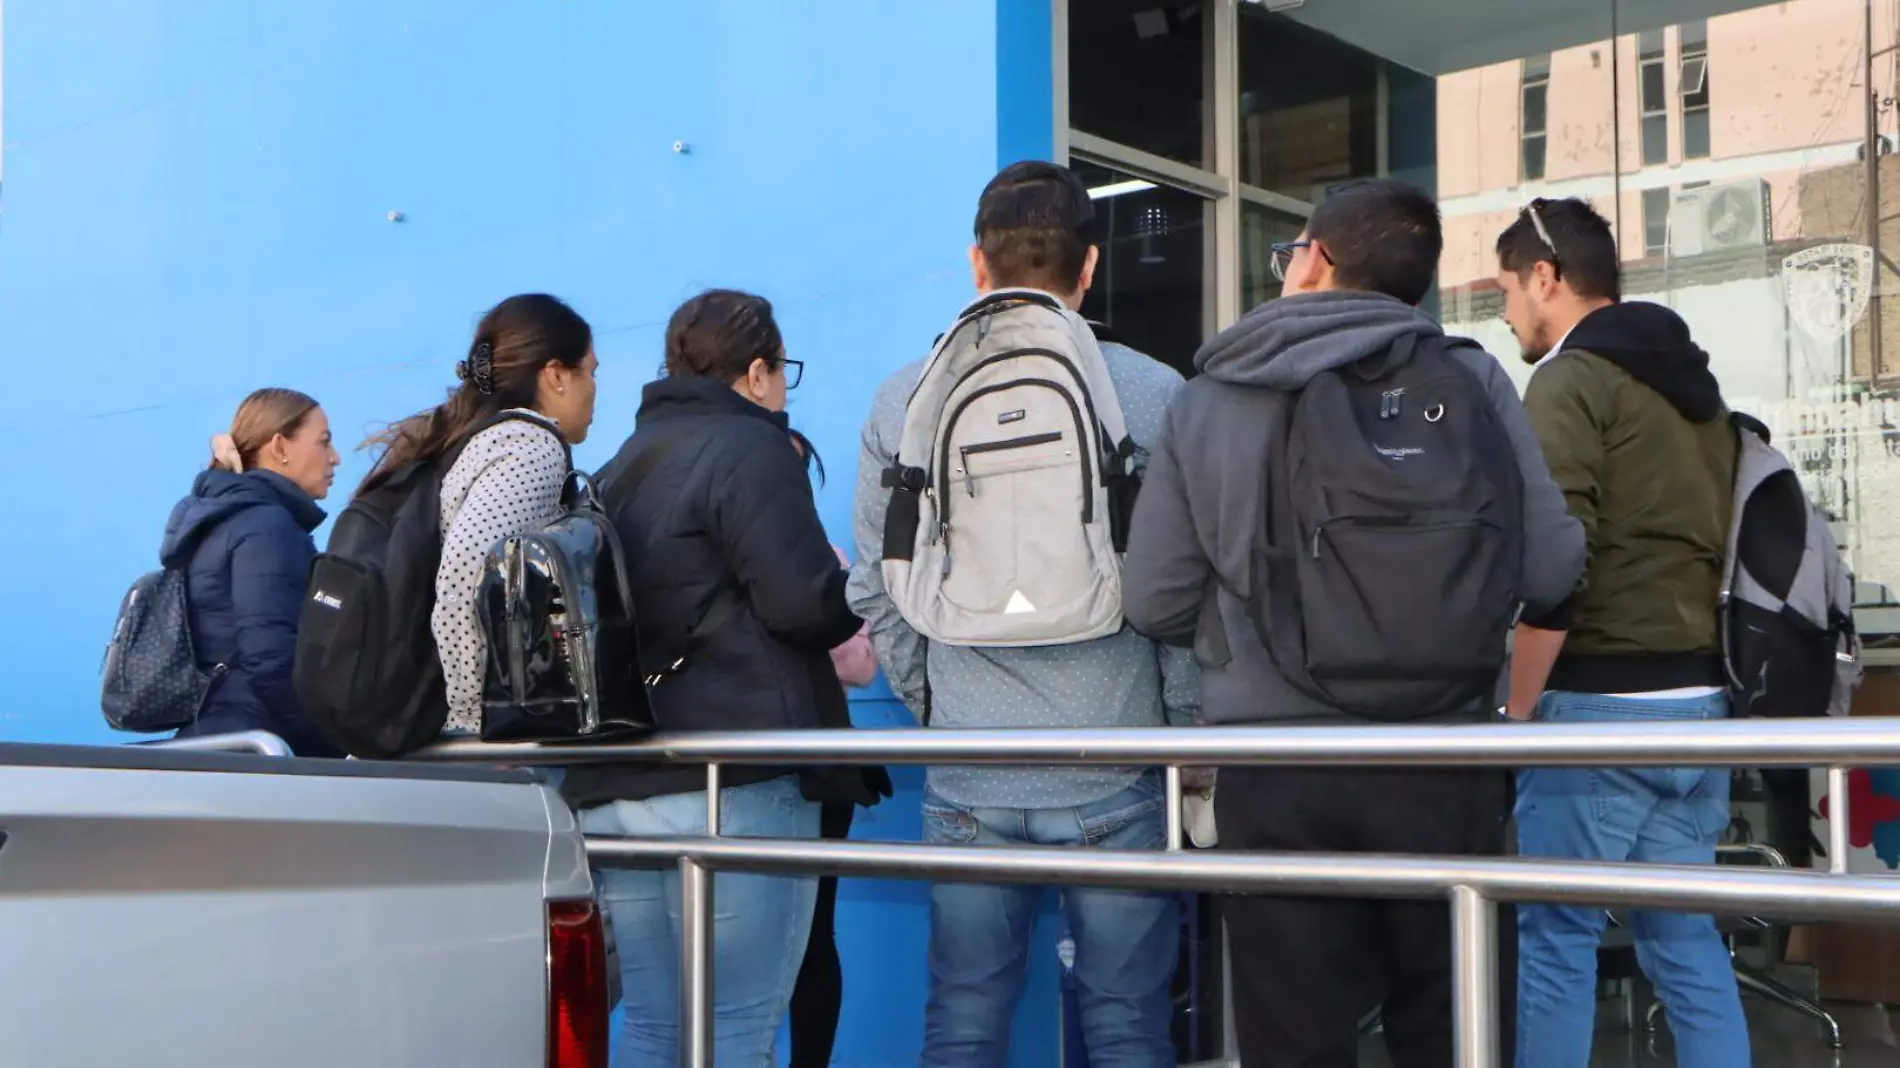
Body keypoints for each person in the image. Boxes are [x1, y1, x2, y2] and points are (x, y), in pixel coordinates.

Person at [1121, 178, 1585, 1068]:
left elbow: (1155, 598)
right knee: (1452, 1028)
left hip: (1278, 765)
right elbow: (1555, 566)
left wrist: (1241, 639)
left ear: (1316, 260)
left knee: (1294, 1037)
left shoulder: (1212, 394)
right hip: (1445, 760)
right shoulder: (1474, 377)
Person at [849, 161, 1198, 1068]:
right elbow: (1185, 591)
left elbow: (873, 584)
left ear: (977, 264)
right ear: (1090, 269)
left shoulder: (905, 398)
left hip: (968, 770)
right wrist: (1179, 731)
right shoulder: (1155, 391)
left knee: (964, 1018)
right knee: (1126, 1020)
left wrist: (937, 709)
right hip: (1118, 760)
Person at [564, 289, 865, 1068]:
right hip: (734, 777)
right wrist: (867, 588)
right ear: (758, 371)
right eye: (782, 372)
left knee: (658, 1028)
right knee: (737, 1028)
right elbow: (803, 607)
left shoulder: (620, 465)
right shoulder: (752, 446)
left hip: (620, 782)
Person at [1496, 197, 1750, 1068]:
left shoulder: (1571, 381)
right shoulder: (1695, 393)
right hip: (1697, 704)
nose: (1505, 313)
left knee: (1556, 941)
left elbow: (1555, 560)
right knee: (1684, 943)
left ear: (1546, 276)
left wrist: (1517, 710)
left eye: (1506, 288)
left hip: (1600, 705)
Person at [362, 293, 598, 738]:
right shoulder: (531, 447)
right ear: (556, 376)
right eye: (590, 371)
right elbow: (465, 578)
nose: (594, 388)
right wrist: (471, 719)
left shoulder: (467, 440)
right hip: (478, 739)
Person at [167, 388, 343, 757]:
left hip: (217, 735)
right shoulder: (267, 525)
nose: (335, 458)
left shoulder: (224, 519)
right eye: (323, 443)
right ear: (279, 447)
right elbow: (269, 659)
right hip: (256, 747)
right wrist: (330, 744)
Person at [785, 431, 886, 1068]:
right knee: (813, 938)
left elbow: (860, 665)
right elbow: (859, 663)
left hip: (774, 770)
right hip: (815, 768)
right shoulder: (821, 557)